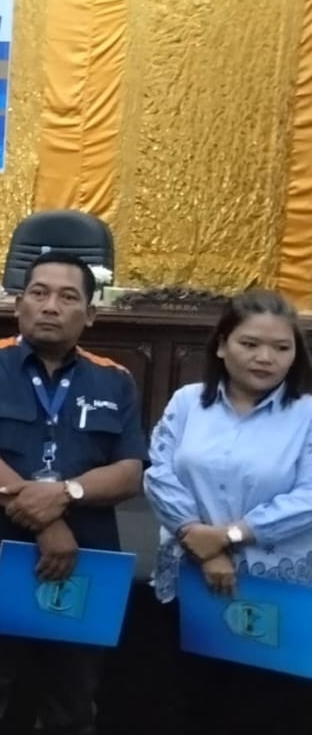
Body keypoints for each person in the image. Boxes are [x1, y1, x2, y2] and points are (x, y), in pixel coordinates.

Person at [0, 252, 146, 735]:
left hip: (83, 567)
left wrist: (65, 493)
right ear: (18, 305)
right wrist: (48, 522)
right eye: (39, 293)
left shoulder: (115, 378)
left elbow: (130, 472)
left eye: (68, 297)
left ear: (90, 314)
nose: (50, 306)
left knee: (71, 705)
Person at [144, 289, 312, 735]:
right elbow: (159, 474)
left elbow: (309, 497)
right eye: (250, 344)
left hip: (275, 588)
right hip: (191, 575)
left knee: (268, 709)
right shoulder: (187, 402)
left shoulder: (307, 414)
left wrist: (228, 537)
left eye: (281, 348)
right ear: (222, 345)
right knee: (190, 703)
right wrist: (197, 537)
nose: (265, 358)